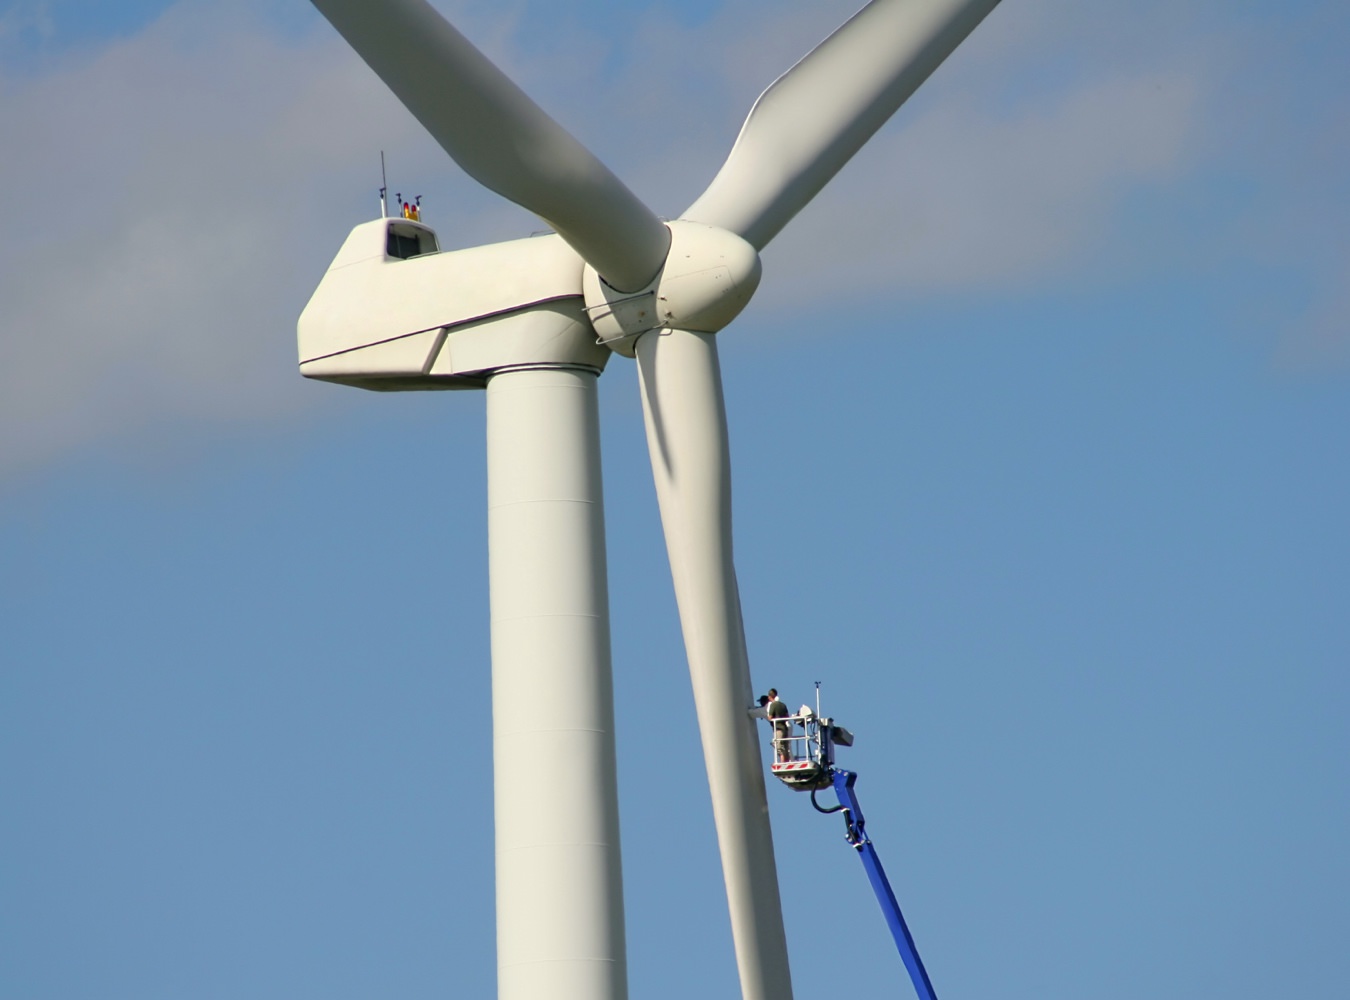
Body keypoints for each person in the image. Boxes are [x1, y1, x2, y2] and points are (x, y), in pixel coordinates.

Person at [766, 688, 791, 762]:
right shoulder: (783, 705)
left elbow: (770, 717)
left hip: (778, 729)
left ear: (770, 697)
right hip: (785, 729)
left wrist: (770, 719)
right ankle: (786, 762)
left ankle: (782, 763)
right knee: (786, 747)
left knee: (780, 748)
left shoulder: (773, 705)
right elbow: (787, 717)